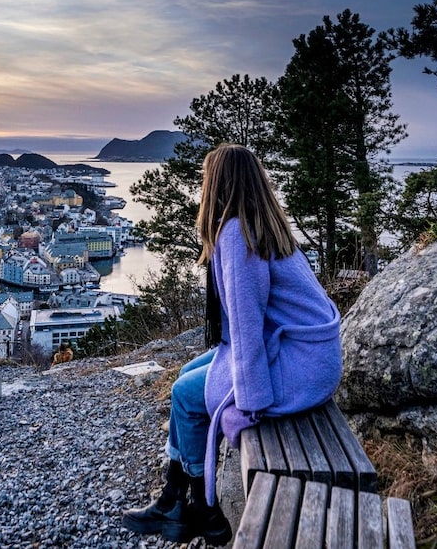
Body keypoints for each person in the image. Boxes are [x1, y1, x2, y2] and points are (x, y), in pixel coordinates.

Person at [121, 144, 343, 545]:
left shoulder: (237, 236)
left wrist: (251, 403)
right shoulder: (265, 225)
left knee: (187, 395)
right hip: (313, 357)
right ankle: (175, 497)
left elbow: (245, 327)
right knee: (190, 376)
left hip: (299, 364)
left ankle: (203, 513)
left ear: (217, 184)